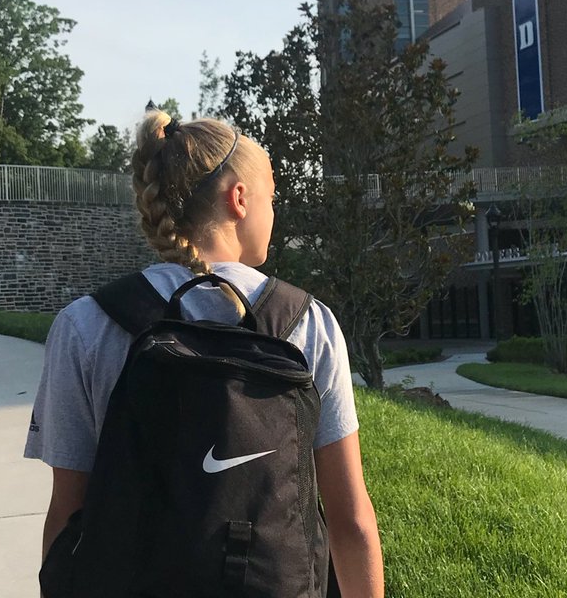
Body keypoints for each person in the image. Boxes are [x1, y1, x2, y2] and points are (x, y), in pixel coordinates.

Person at [25, 108, 384, 598]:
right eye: (271, 198)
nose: (274, 213)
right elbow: (351, 521)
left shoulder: (87, 325)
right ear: (239, 198)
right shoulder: (307, 323)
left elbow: (69, 515)